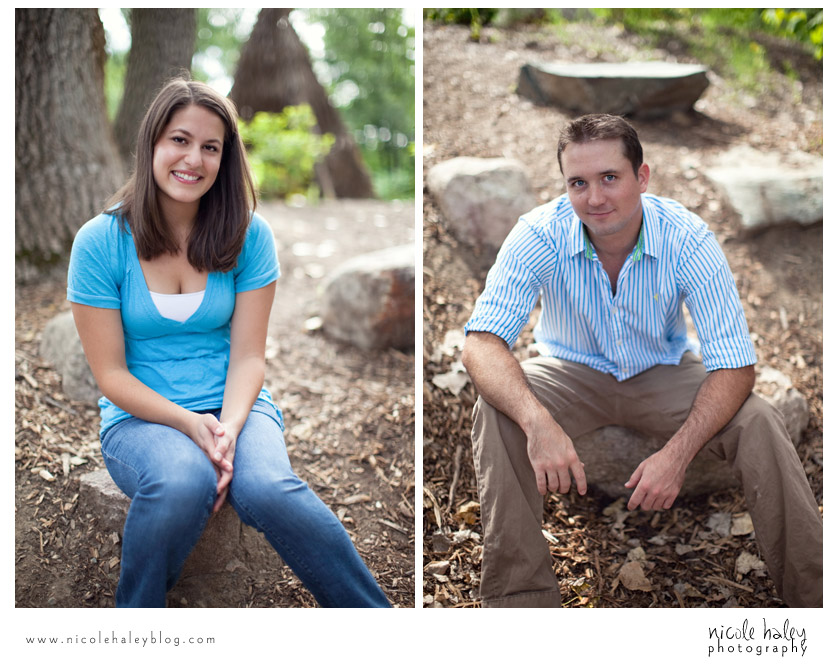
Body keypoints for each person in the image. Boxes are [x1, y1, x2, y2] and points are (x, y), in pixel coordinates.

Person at [462, 113, 822, 608]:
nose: (595, 197)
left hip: (663, 371)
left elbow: (735, 363)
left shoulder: (686, 238)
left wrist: (678, 455)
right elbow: (482, 341)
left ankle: (816, 599)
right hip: (571, 370)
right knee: (497, 410)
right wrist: (537, 422)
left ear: (642, 176)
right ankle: (520, 604)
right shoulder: (538, 235)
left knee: (759, 418)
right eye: (578, 183)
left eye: (610, 177)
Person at [67, 77, 390, 608]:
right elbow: (112, 376)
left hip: (237, 405)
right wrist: (191, 425)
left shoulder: (248, 234)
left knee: (267, 487)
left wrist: (230, 429)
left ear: (225, 158)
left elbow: (247, 357)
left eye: (210, 147)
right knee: (180, 481)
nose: (193, 158)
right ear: (152, 143)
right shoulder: (100, 242)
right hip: (140, 418)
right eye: (179, 139)